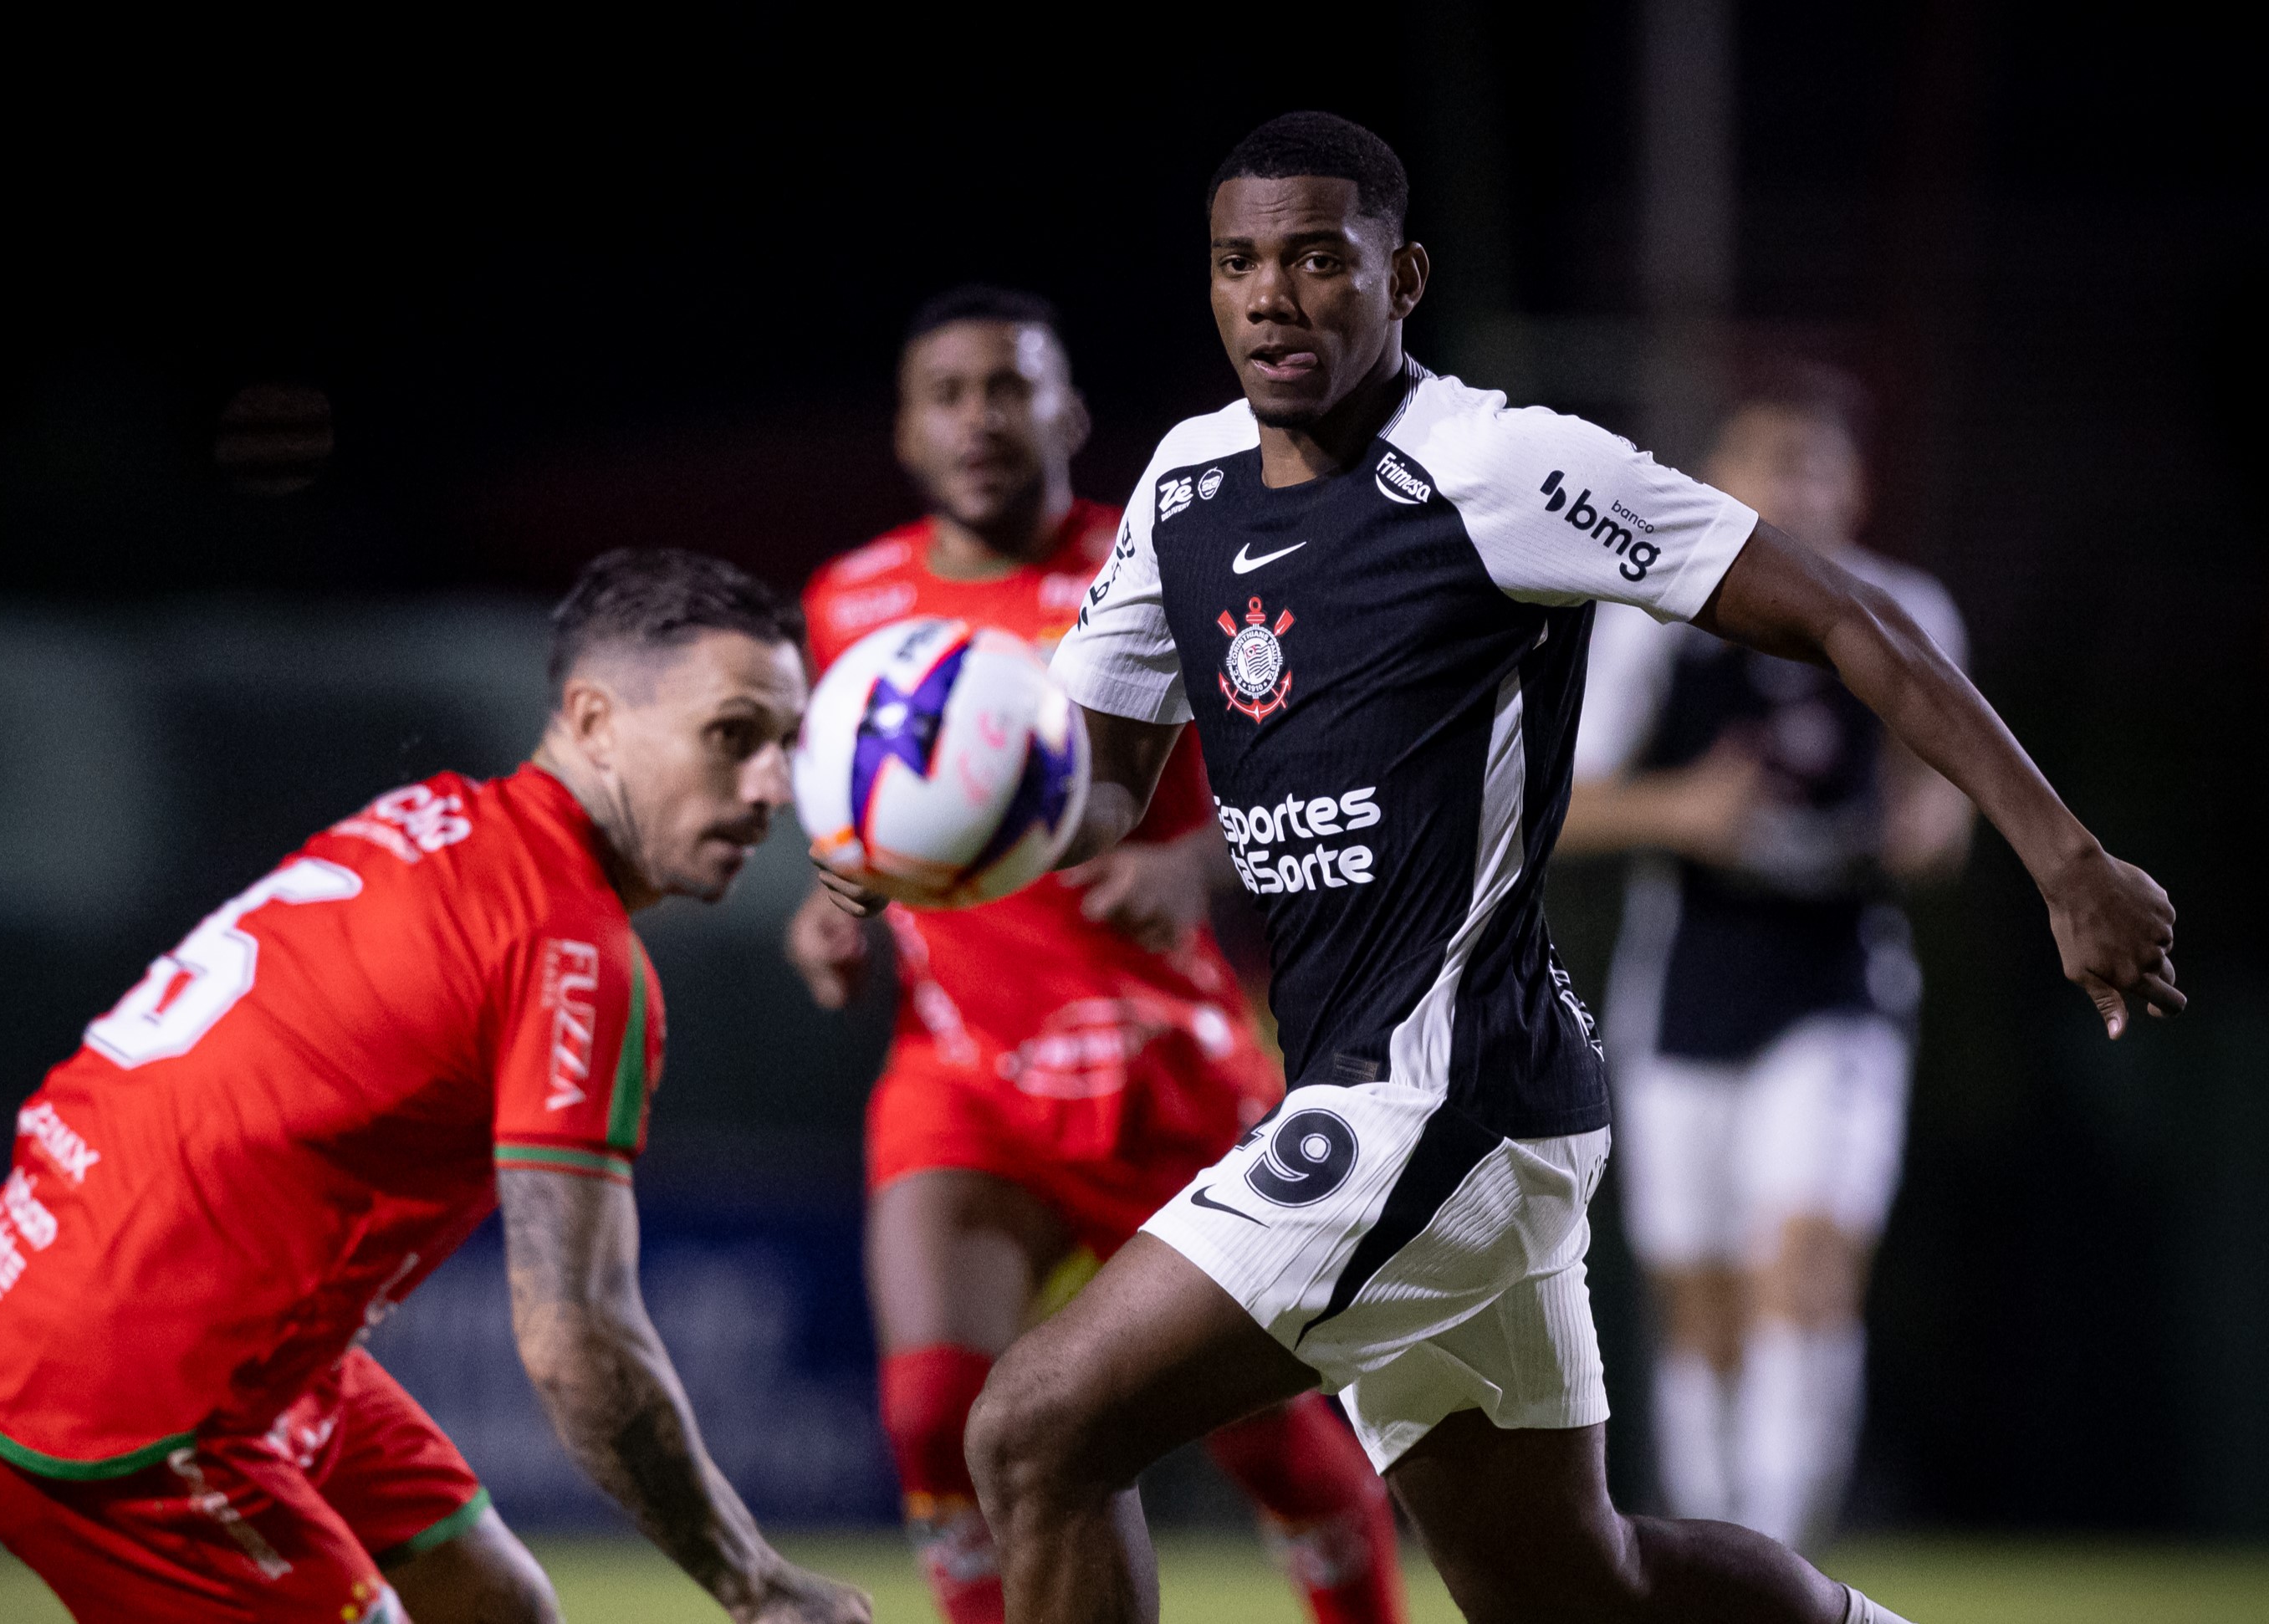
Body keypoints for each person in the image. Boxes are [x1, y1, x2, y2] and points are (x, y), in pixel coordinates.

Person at [820, 110, 2180, 1624]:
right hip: (1424, 1099)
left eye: (1316, 258)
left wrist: (2064, 855)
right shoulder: (1186, 487)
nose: (1271, 294)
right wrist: (927, 834)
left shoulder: (1502, 465)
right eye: (1237, 262)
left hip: (1440, 1093)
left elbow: (1842, 616)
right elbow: (1096, 780)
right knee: (1574, 1587)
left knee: (1035, 1424)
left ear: (1400, 276)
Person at [0, 550, 871, 1624]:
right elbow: (578, 1337)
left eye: (789, 744)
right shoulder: (572, 951)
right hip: (125, 1399)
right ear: (594, 720)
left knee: (497, 1608)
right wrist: (758, 1586)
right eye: (734, 737)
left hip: (77, 1291)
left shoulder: (438, 816)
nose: (774, 786)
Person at [789, 284, 1403, 1624]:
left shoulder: (1169, 559)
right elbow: (864, 813)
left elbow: (1322, 761)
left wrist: (1196, 863)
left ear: (1066, 409)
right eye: (947, 393)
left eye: (1008, 386)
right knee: (935, 1415)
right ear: (905, 429)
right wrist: (832, 906)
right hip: (964, 1068)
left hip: (1164, 1062)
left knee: (1277, 1445)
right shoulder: (848, 601)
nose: (979, 418)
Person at [1558, 367, 1973, 1548]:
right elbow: (1563, 811)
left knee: (1806, 1266)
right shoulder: (1657, 622)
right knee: (1701, 1304)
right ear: (1721, 482)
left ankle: (1779, 1554)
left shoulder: (1905, 611)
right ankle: (1709, 1546)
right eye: (1767, 460)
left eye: (1814, 462)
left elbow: (1942, 806)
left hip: (1835, 984)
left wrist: (1925, 824)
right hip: (1685, 983)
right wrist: (1681, 810)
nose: (1790, 485)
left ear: (1855, 485)